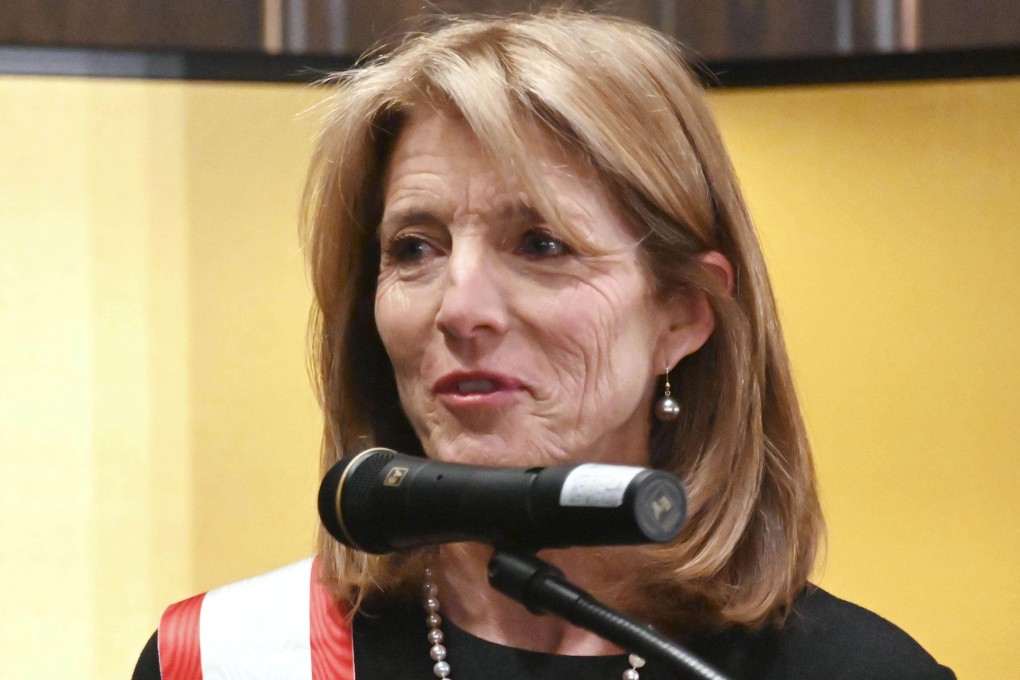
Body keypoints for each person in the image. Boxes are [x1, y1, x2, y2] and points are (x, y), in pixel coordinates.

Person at [134, 10, 955, 680]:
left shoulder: (856, 671)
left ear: (682, 315)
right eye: (415, 248)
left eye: (540, 244)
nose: (460, 309)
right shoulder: (227, 659)